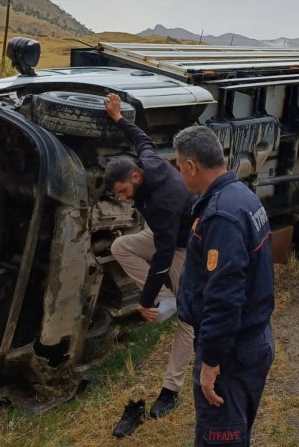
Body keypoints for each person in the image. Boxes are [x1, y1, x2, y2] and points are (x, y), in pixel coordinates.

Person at [174, 126, 275, 446]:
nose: (180, 174)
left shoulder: (220, 215)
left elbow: (224, 296)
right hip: (253, 338)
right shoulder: (243, 196)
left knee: (221, 437)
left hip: (231, 351)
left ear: (191, 165)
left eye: (179, 166)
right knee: (236, 431)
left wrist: (211, 362)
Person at [102, 93, 195, 437]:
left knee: (188, 319)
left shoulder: (162, 203)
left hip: (183, 247)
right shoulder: (148, 161)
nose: (122, 198)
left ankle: (170, 391)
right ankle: (161, 301)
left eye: (123, 192)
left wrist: (143, 302)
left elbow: (163, 258)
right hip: (163, 237)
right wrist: (117, 117)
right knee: (121, 245)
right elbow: (141, 137)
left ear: (136, 179)